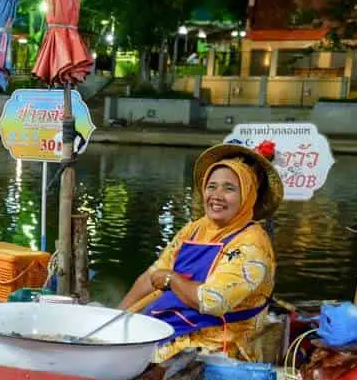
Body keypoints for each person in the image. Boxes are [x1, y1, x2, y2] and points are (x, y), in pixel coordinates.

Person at [118, 141, 283, 363]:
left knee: (129, 363)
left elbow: (212, 301)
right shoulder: (196, 228)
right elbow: (152, 275)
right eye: (211, 186)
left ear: (248, 195)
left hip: (217, 347)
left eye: (229, 188)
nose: (217, 195)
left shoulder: (253, 244)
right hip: (173, 329)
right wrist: (118, 315)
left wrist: (172, 279)